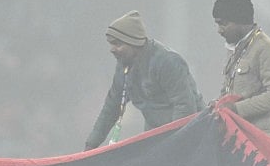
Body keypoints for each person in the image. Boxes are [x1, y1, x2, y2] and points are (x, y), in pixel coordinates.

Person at [85, 10, 202, 150]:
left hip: (191, 135)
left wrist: (176, 146)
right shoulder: (124, 66)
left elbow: (185, 107)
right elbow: (112, 106)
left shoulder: (167, 62)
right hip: (156, 137)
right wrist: (90, 145)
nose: (112, 49)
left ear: (133, 42)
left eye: (117, 44)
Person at [212, 0, 270, 141]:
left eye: (223, 23)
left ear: (240, 20)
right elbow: (229, 92)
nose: (219, 30)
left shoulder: (266, 48)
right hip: (237, 141)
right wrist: (218, 105)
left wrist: (235, 109)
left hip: (262, 142)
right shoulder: (235, 48)